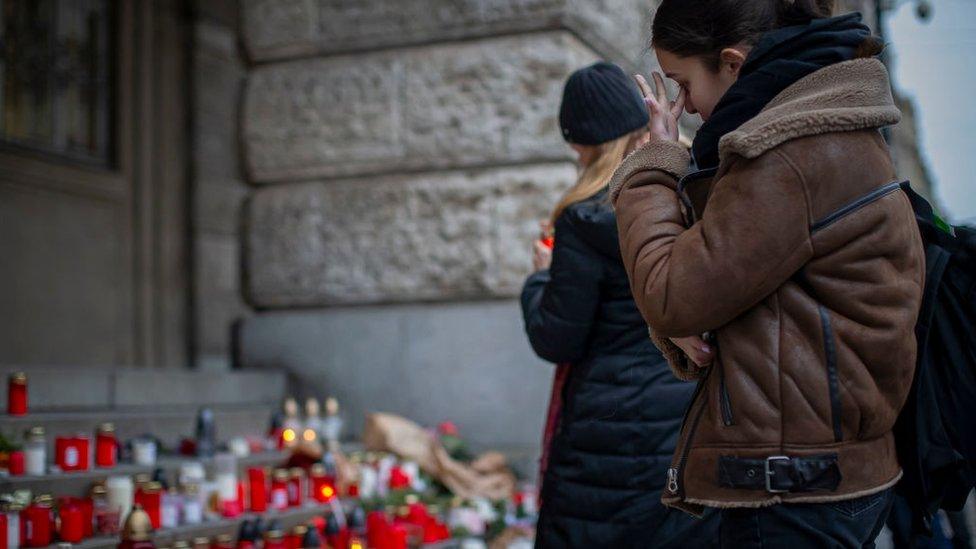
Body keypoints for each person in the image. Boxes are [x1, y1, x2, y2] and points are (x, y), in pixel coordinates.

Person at [607, 1, 926, 547]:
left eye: (684, 84)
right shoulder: (821, 129)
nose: (683, 108)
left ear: (732, 63)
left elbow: (672, 294)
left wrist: (653, 167)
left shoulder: (790, 151)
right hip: (823, 471)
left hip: (794, 486)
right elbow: (755, 282)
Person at [521, 62, 718, 548]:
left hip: (607, 437)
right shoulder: (697, 191)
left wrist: (537, 280)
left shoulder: (585, 220)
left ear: (584, 144)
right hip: (692, 418)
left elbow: (557, 336)